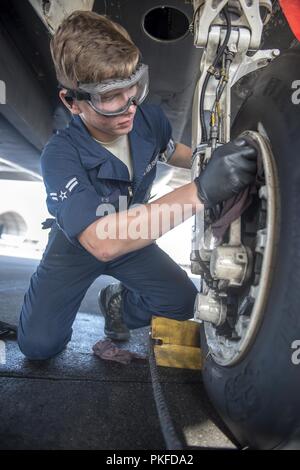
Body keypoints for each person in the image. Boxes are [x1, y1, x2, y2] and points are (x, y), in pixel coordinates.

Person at [18, 11, 257, 360]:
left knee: (181, 301)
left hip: (133, 238)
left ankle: (117, 304)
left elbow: (170, 150)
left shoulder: (147, 118)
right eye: (111, 96)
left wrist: (206, 161)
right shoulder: (59, 155)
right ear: (72, 102)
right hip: (77, 248)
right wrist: (202, 190)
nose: (130, 104)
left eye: (134, 84)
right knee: (38, 348)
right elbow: (100, 241)